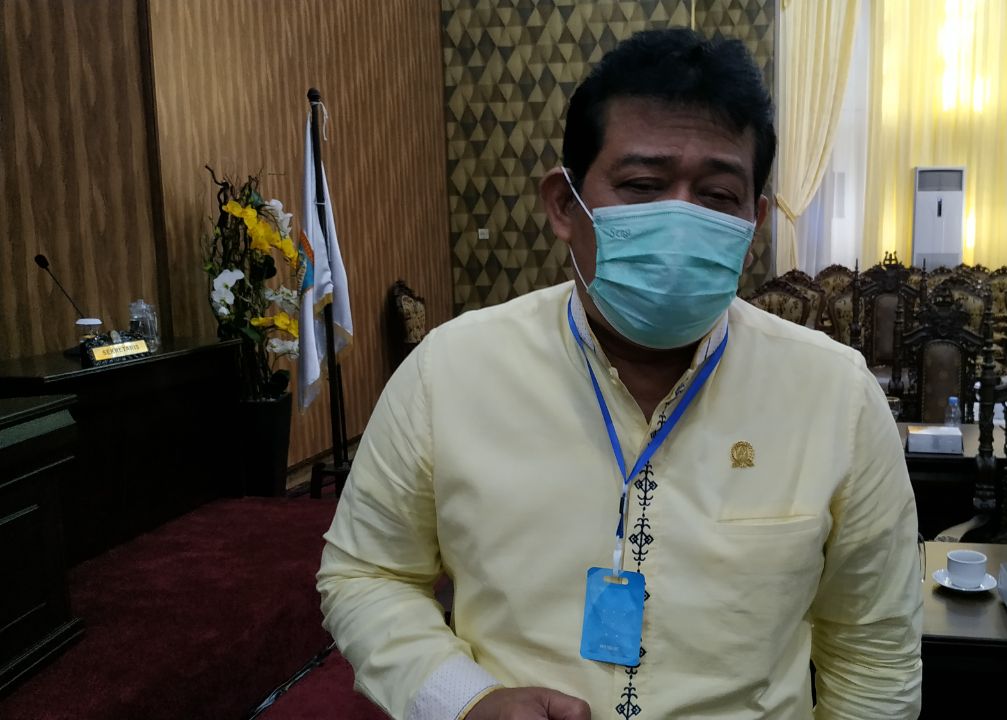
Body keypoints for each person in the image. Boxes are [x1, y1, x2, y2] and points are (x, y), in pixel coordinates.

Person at [318, 28, 922, 720]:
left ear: (754, 221)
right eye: (642, 186)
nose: (681, 219)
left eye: (718, 194)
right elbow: (366, 573)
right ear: (564, 205)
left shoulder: (836, 397)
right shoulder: (448, 374)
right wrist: (463, 701)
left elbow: (873, 648)